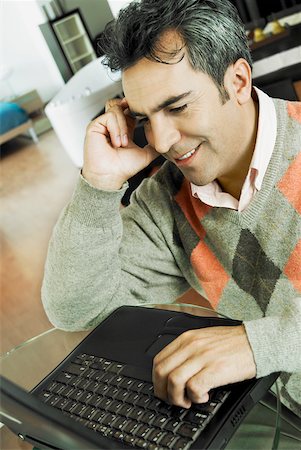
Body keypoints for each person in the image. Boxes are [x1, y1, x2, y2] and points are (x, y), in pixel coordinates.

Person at [42, 0, 301, 445]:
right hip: (273, 412)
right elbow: (74, 308)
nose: (161, 140)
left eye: (177, 106)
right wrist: (98, 183)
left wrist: (257, 345)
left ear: (237, 81)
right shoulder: (166, 197)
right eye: (145, 118)